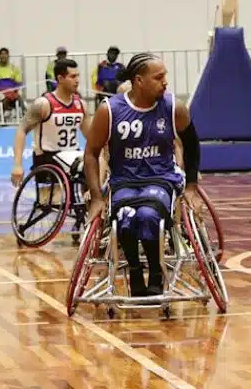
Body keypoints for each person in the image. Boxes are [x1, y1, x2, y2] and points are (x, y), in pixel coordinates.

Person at [82, 53, 202, 297]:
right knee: (125, 220)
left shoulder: (173, 108)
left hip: (160, 179)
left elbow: (191, 145)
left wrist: (191, 186)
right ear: (139, 81)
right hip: (124, 181)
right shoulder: (110, 111)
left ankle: (156, 272)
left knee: (148, 216)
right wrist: (96, 197)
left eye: (165, 76)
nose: (165, 82)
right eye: (158, 78)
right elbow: (91, 153)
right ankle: (135, 272)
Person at [10, 58, 92, 186]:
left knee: (92, 173)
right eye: (72, 76)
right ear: (60, 79)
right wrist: (17, 164)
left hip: (73, 157)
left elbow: (92, 137)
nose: (77, 80)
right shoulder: (44, 104)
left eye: (78, 76)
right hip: (48, 159)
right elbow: (21, 130)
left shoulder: (81, 104)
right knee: (53, 201)